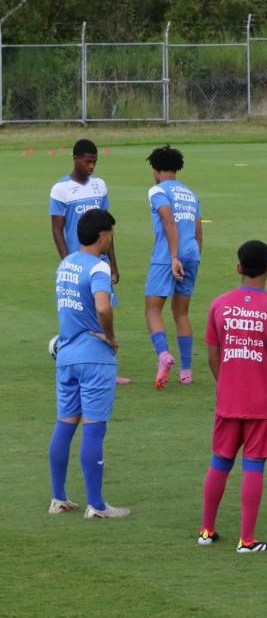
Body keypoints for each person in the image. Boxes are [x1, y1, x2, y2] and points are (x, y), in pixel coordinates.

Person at [198, 240, 267, 553]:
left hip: (229, 399)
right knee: (254, 466)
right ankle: (247, 539)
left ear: (238, 268)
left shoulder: (219, 305)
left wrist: (226, 383)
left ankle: (206, 530)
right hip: (262, 400)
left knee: (219, 462)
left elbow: (213, 355)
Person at [49, 208, 129, 518]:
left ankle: (59, 498)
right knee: (94, 429)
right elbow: (103, 308)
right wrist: (109, 336)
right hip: (93, 357)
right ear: (103, 236)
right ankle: (96, 505)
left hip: (66, 354)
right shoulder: (98, 269)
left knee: (65, 424)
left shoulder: (66, 263)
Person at [50, 139, 129, 386]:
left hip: (99, 263)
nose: (91, 166)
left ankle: (99, 366)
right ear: (75, 158)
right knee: (86, 314)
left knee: (101, 312)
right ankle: (87, 363)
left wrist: (113, 264)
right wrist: (70, 262)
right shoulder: (60, 190)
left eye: (94, 161)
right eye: (87, 161)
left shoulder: (99, 186)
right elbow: (57, 231)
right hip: (79, 264)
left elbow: (107, 229)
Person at [144, 146, 203, 389]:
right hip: (193, 253)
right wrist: (193, 257)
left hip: (168, 254)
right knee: (181, 313)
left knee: (152, 309)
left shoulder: (157, 190)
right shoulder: (191, 194)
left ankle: (164, 355)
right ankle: (186, 372)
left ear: (156, 170)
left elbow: (168, 220)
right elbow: (199, 233)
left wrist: (173, 256)